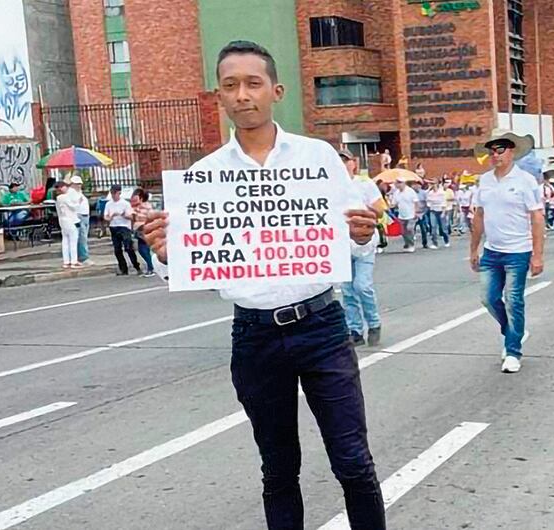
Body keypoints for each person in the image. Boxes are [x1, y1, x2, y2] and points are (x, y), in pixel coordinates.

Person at [143, 40, 385, 530]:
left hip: (321, 327)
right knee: (278, 471)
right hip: (254, 337)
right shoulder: (203, 178)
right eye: (230, 85)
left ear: (275, 90)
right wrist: (167, 254)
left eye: (253, 83)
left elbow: (352, 241)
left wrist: (363, 233)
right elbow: (192, 265)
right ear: (219, 97)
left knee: (353, 463)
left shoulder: (318, 159)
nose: (242, 95)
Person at [468, 128, 545, 374]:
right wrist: (474, 248)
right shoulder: (485, 180)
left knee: (514, 301)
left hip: (518, 251)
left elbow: (537, 218)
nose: (495, 154)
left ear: (511, 151)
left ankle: (512, 351)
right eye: (492, 150)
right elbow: (479, 215)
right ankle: (513, 331)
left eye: (500, 149)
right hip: (492, 250)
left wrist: (537, 254)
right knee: (488, 298)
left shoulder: (525, 181)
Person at [340, 148, 386, 346]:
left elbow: (381, 209)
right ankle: (355, 329)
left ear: (353, 163)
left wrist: (363, 211)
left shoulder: (364, 184)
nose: (343, 164)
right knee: (347, 290)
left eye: (346, 161)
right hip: (341, 244)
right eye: (339, 161)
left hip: (364, 242)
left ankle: (374, 323)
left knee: (362, 285)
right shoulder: (329, 185)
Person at [103, 184, 142, 275]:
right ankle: (123, 268)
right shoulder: (108, 204)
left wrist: (123, 215)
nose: (113, 195)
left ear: (119, 193)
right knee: (117, 249)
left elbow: (131, 217)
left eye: (115, 193)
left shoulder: (125, 204)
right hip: (114, 226)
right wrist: (111, 217)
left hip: (124, 227)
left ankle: (136, 266)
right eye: (112, 193)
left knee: (128, 248)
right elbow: (106, 217)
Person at [53, 181, 82, 269]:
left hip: (62, 220)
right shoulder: (64, 197)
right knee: (73, 240)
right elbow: (73, 207)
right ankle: (74, 261)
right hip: (70, 220)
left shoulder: (58, 198)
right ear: (62, 188)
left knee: (65, 241)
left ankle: (66, 261)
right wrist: (79, 202)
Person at [129, 188, 156, 278]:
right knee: (143, 250)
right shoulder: (137, 207)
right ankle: (151, 267)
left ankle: (151, 268)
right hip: (138, 231)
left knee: (144, 250)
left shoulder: (146, 207)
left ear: (141, 198)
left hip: (144, 230)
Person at [392, 178, 418, 252]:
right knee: (403, 231)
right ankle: (407, 244)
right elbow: (394, 203)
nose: (398, 185)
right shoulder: (396, 193)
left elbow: (416, 202)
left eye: (400, 183)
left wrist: (416, 212)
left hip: (411, 214)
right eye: (397, 183)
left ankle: (411, 244)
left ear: (403, 183)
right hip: (401, 215)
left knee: (409, 229)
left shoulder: (410, 191)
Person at [425, 180, 449, 248]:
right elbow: (427, 199)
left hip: (441, 210)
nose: (432, 185)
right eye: (431, 184)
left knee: (443, 227)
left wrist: (443, 212)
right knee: (433, 227)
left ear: (437, 184)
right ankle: (434, 243)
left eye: (434, 184)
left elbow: (444, 202)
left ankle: (446, 240)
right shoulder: (430, 193)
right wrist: (428, 189)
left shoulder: (441, 193)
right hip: (433, 211)